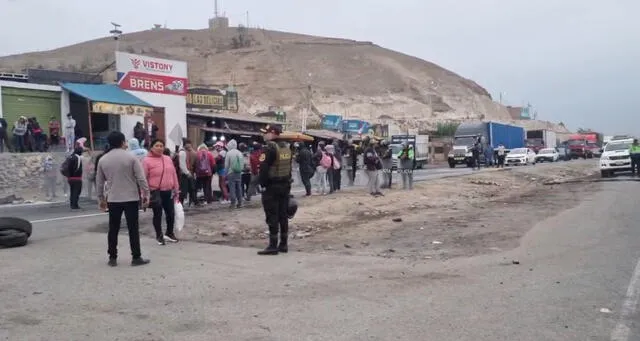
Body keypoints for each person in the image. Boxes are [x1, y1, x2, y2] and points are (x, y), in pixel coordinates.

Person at [96, 131, 151, 267]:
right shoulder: (131, 158)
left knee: (113, 228)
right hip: (131, 197)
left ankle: (112, 257)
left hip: (113, 198)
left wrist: (101, 198)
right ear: (122, 142)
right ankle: (136, 257)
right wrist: (146, 194)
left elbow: (99, 182)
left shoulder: (103, 159)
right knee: (133, 228)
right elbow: (141, 178)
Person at [257, 125, 292, 255]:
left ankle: (272, 245)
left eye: (265, 133)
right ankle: (283, 244)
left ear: (272, 133)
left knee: (272, 215)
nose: (264, 135)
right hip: (284, 185)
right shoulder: (286, 147)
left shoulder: (270, 148)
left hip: (272, 187)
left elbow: (264, 169)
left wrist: (263, 185)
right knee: (283, 216)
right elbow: (288, 168)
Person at [143, 139, 180, 245]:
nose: (159, 148)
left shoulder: (168, 158)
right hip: (155, 192)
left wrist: (176, 189)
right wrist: (144, 194)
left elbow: (173, 174)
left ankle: (169, 233)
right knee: (158, 214)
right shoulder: (146, 161)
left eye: (161, 146)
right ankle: (159, 236)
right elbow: (143, 178)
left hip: (168, 191)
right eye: (157, 146)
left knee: (171, 214)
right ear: (151, 148)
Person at [224, 139, 245, 209]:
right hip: (239, 173)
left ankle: (233, 204)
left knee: (232, 188)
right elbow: (242, 164)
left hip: (231, 173)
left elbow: (226, 165)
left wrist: (225, 174)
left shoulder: (228, 153)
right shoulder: (239, 153)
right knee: (239, 188)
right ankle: (240, 203)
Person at [177, 139, 198, 206]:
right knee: (184, 190)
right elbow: (182, 164)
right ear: (185, 144)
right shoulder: (182, 152)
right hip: (185, 174)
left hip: (187, 173)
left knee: (191, 188)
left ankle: (194, 201)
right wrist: (187, 173)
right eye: (188, 143)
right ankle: (180, 203)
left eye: (189, 143)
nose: (189, 145)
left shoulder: (187, 152)